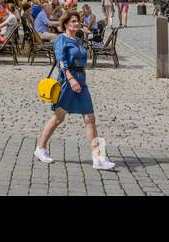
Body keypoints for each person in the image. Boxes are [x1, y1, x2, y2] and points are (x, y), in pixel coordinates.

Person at [35, 11, 115, 171]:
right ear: (65, 24)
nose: (76, 24)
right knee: (58, 118)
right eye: (73, 21)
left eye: (77, 21)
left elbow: (83, 59)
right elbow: (61, 62)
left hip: (81, 80)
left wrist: (80, 77)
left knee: (90, 118)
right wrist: (71, 79)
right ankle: (41, 148)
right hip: (67, 81)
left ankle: (97, 157)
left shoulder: (78, 40)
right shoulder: (60, 40)